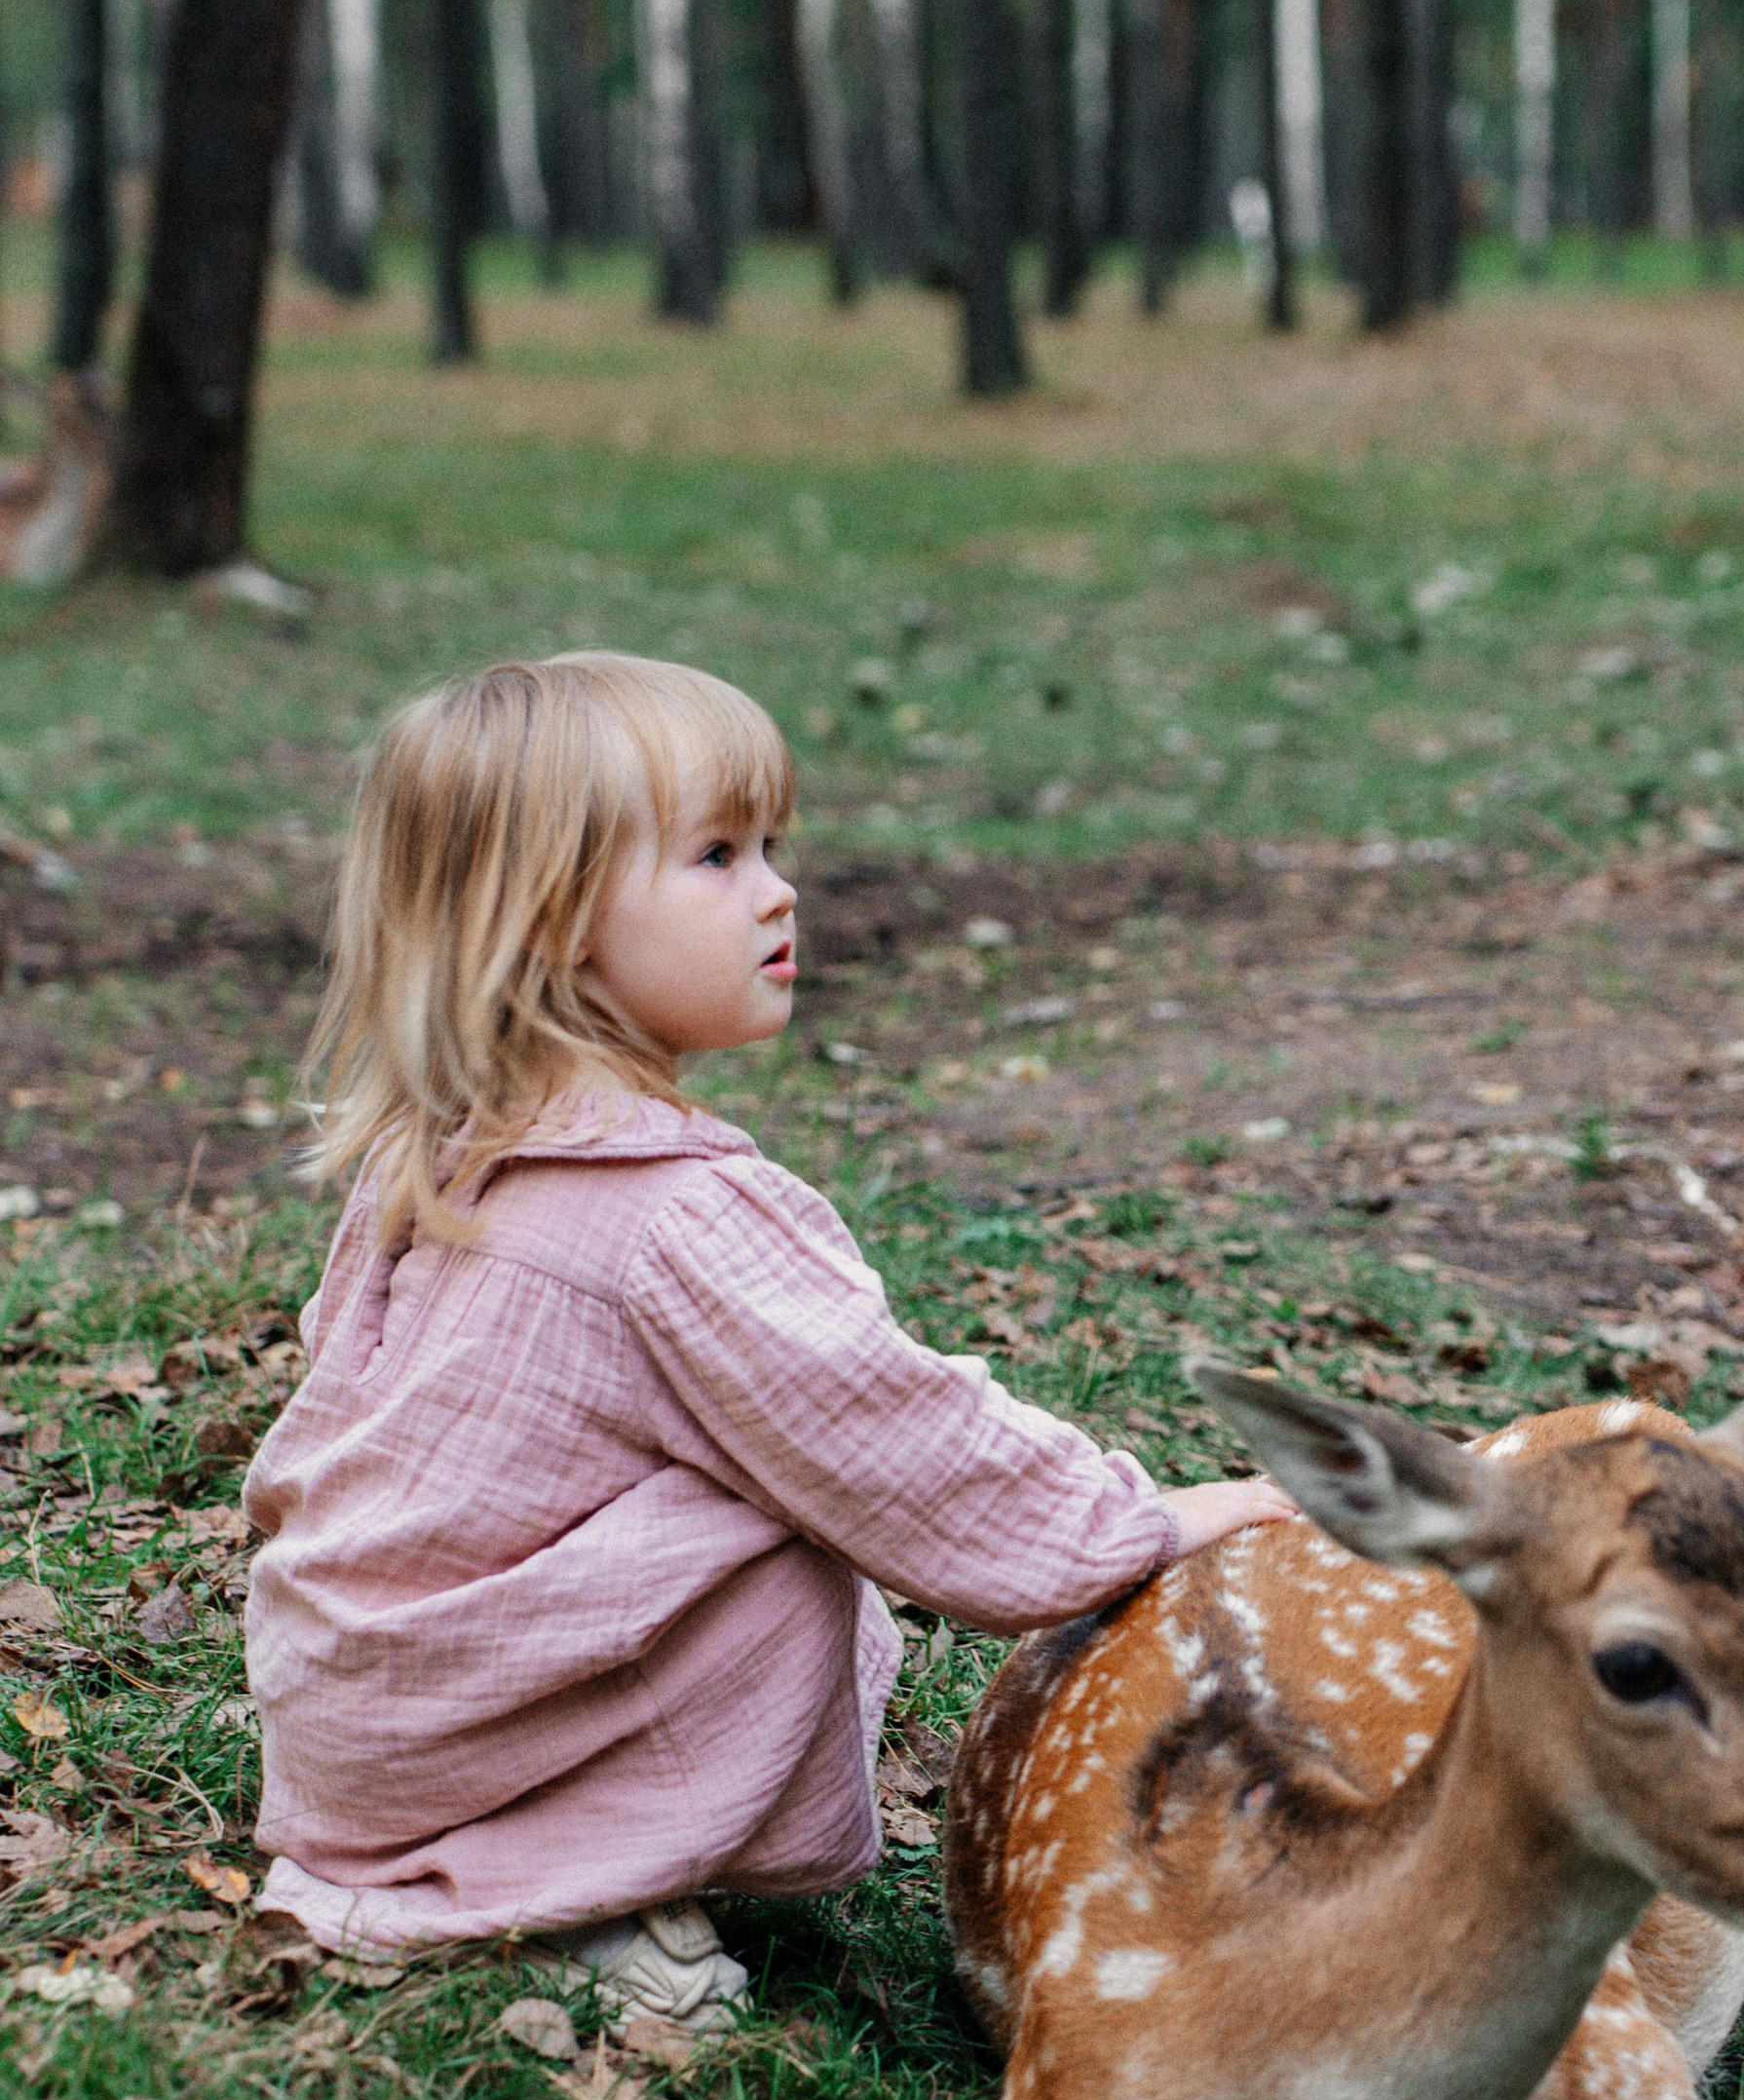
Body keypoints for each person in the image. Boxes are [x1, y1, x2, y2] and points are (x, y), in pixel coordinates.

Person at [244, 652, 1290, 2025]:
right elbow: (910, 1454)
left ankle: (468, 1854)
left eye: (773, 847)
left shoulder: (427, 1157)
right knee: (782, 1520)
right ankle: (555, 1904)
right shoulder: (684, 1219)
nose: (779, 890)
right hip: (465, 1734)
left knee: (723, 1478)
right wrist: (1149, 1520)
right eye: (719, 855)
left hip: (346, 1712)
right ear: (555, 919)